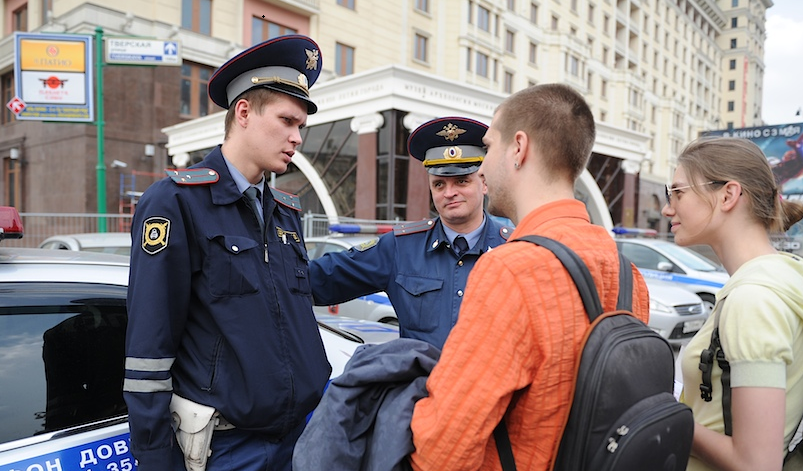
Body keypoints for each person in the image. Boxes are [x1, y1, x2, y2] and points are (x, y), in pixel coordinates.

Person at [408, 83, 650, 470]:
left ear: (518, 148)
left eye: (488, 147)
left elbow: (443, 450)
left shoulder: (510, 270)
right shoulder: (627, 273)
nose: (482, 166)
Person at [123, 35, 331, 471]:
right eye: (287, 121)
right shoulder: (176, 203)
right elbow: (148, 350)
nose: (296, 138)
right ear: (243, 113)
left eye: (301, 128)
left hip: (298, 439)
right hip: (228, 449)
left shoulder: (286, 212)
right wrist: (157, 459)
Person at [309, 116, 511, 349]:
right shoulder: (401, 248)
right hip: (423, 384)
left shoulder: (516, 247)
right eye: (439, 184)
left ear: (483, 183)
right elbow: (318, 280)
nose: (449, 193)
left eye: (462, 181)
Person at [665, 137, 803, 471]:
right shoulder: (779, 278)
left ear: (728, 195)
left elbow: (757, 463)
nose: (668, 208)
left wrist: (668, 416)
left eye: (679, 193)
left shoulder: (754, 298)